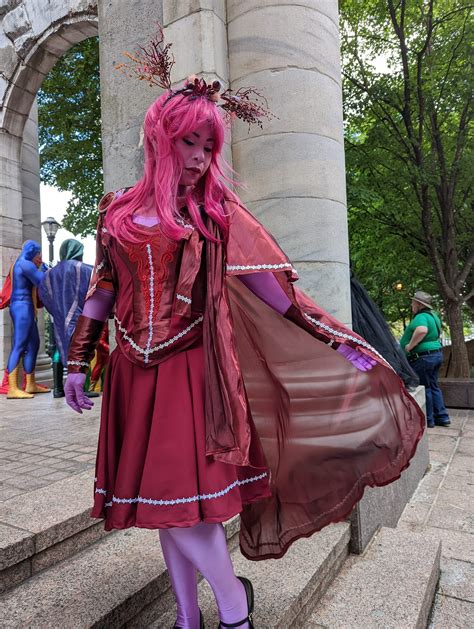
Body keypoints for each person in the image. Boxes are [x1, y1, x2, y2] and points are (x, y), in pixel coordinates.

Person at [64, 30, 425, 629]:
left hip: (190, 374)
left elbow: (279, 296)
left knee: (189, 512)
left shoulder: (217, 216)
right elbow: (102, 292)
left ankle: (233, 610)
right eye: (190, 142)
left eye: (209, 145)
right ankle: (188, 618)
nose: (201, 156)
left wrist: (339, 340)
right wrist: (79, 360)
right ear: (160, 139)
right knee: (162, 509)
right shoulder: (118, 213)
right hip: (132, 372)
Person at [39, 239, 93, 397]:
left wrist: (57, 311)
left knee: (57, 349)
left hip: (57, 320)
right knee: (82, 349)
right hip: (79, 318)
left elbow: (43, 293)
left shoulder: (50, 273)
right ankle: (81, 389)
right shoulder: (83, 269)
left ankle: (57, 388)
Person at [0, 240, 49, 399]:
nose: (39, 257)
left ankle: (30, 384)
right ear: (32, 252)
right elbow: (42, 281)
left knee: (34, 344)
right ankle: (12, 387)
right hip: (22, 307)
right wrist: (49, 271)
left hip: (26, 307)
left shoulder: (23, 264)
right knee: (19, 345)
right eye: (38, 253)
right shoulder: (25, 264)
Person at [400, 291, 450, 428]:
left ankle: (428, 419)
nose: (412, 305)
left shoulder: (421, 316)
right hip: (435, 354)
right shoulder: (433, 316)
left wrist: (410, 346)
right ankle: (442, 417)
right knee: (434, 386)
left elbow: (422, 330)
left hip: (424, 357)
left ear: (418, 304)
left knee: (424, 387)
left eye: (413, 302)